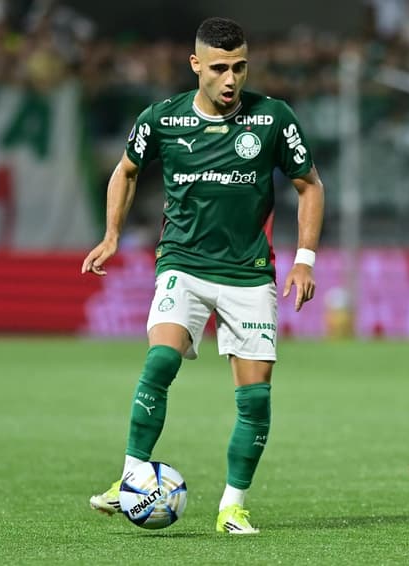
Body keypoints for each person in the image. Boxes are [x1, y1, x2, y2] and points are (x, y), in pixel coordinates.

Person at [82, 17, 325, 534]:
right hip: (183, 265)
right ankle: (130, 477)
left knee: (255, 397)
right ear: (197, 66)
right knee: (161, 362)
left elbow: (309, 184)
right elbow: (125, 170)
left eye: (239, 66)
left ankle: (232, 507)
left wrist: (305, 259)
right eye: (219, 68)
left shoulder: (273, 119)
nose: (230, 78)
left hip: (249, 273)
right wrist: (111, 235)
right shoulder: (163, 120)